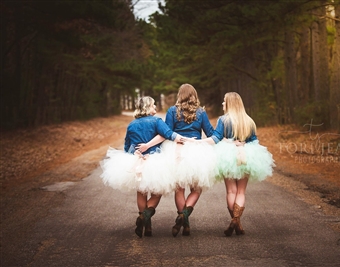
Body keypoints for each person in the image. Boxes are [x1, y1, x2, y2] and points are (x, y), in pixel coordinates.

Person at [100, 96, 184, 238]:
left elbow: (127, 146)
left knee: (141, 192)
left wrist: (135, 152)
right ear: (147, 107)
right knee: (157, 193)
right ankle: (144, 217)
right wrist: (179, 138)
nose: (155, 108)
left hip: (137, 160)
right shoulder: (157, 121)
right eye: (153, 105)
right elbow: (168, 134)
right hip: (155, 160)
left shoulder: (132, 125)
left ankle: (147, 226)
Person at [200, 92, 275, 236]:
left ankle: (235, 219)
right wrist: (243, 144)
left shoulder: (223, 120)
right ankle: (237, 222)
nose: (222, 104)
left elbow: (216, 138)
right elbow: (254, 141)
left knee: (231, 191)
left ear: (230, 103)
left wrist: (199, 142)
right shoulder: (249, 121)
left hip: (226, 155)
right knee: (241, 192)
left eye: (224, 101)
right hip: (247, 154)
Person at [160, 83, 216, 237]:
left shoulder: (172, 111)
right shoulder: (201, 112)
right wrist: (224, 132)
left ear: (180, 95)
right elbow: (210, 132)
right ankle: (184, 216)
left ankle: (184, 220)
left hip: (176, 150)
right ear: (194, 95)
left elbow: (167, 131)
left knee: (179, 189)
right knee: (196, 188)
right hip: (196, 150)